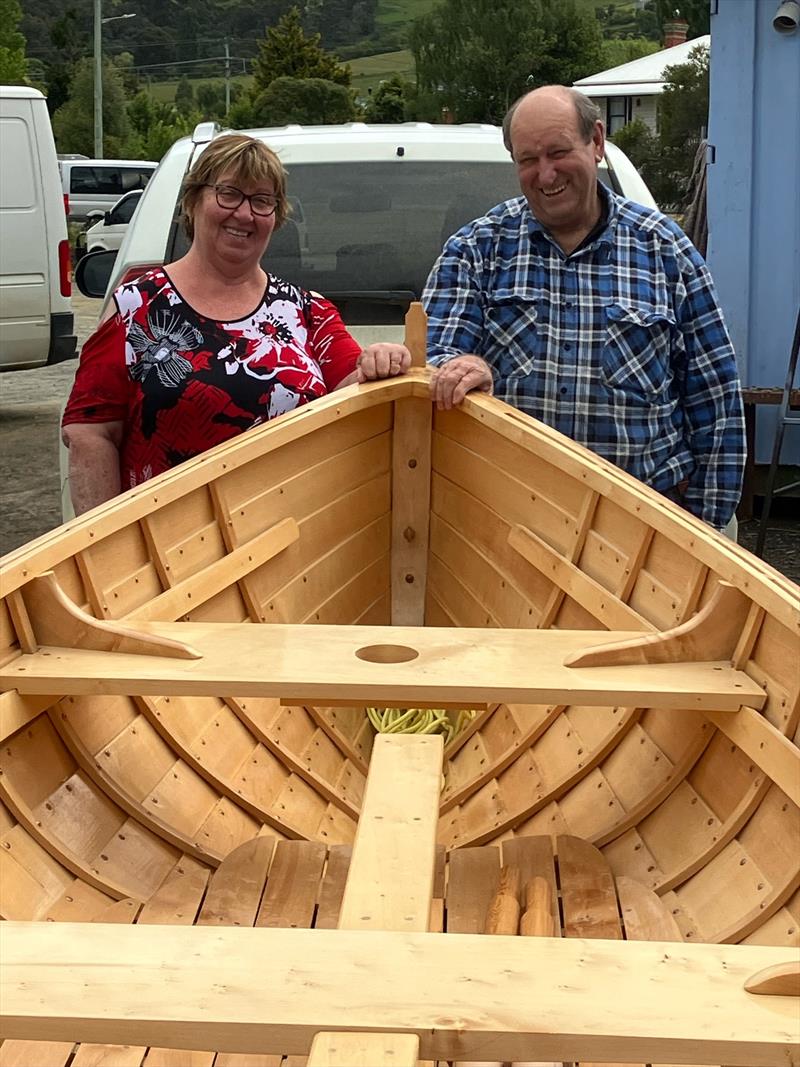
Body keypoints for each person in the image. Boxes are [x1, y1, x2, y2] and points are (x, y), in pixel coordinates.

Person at [423, 85, 745, 533]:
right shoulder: (474, 251)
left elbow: (715, 399)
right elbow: (432, 363)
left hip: (643, 526)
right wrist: (462, 366)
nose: (546, 173)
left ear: (596, 141)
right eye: (528, 160)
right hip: (508, 526)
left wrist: (702, 534)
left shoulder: (666, 250)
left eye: (558, 152)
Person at [62, 133, 411, 516]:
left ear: (276, 219)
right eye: (229, 194)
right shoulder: (136, 306)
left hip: (291, 546)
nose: (244, 214)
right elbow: (90, 433)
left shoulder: (307, 312)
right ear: (193, 201)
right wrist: (107, 556)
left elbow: (359, 391)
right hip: (167, 553)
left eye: (262, 201)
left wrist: (385, 363)